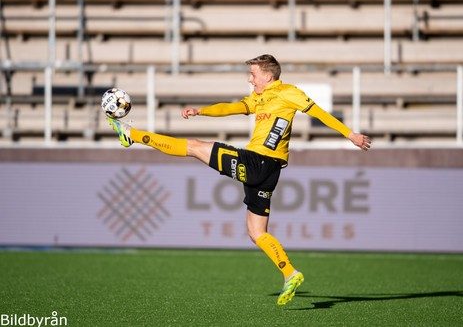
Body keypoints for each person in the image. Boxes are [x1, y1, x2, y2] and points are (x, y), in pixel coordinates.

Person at [107, 54, 371, 306]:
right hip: (270, 170)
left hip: (258, 161)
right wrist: (201, 111)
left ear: (268, 76)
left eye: (253, 75)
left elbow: (319, 114)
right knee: (257, 232)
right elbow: (232, 108)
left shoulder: (289, 92)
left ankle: (132, 134)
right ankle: (290, 273)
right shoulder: (260, 97)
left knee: (194, 147)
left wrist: (350, 134)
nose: (250, 80)